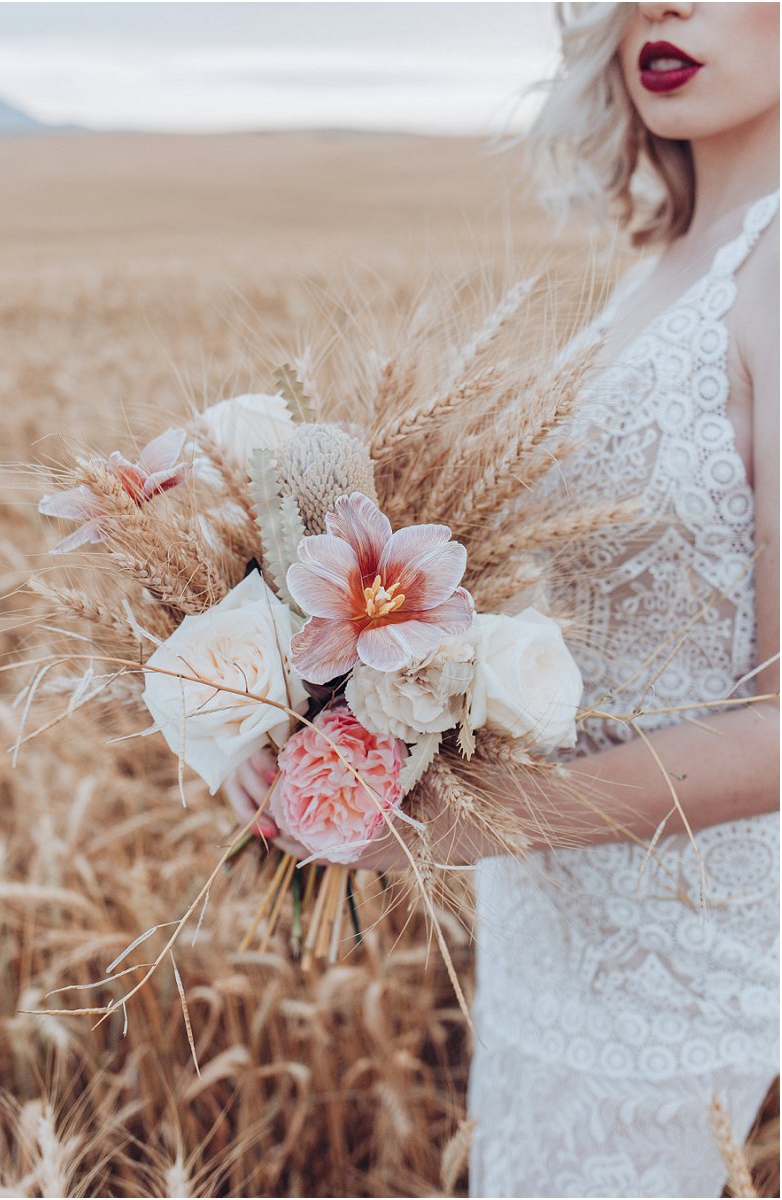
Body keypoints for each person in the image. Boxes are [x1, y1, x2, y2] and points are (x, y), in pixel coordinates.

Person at [227, 3, 779, 1195]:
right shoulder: (657, 267)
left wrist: (462, 820)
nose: (661, 8)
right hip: (551, 943)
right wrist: (313, 718)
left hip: (685, 985)